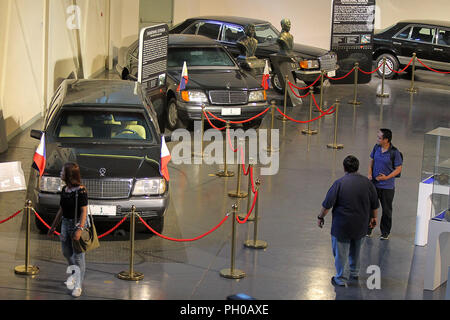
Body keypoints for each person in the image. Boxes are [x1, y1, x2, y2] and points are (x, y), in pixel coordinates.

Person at [318, 155, 379, 286]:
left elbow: (327, 204)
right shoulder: (367, 183)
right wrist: (374, 218)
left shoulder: (339, 183)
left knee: (341, 253)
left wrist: (320, 217)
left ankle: (340, 279)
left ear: (344, 168)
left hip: (342, 227)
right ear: (357, 167)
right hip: (361, 225)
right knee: (356, 250)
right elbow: (375, 204)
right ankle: (354, 272)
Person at [48, 162, 88, 297]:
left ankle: (78, 285)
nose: (60, 173)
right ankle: (75, 275)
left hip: (77, 224)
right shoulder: (65, 190)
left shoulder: (81, 191)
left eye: (62, 171)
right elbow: (61, 210)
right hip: (65, 224)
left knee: (78, 257)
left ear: (69, 175)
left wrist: (80, 229)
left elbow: (84, 211)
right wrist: (53, 227)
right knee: (66, 253)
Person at [367, 128, 403, 240]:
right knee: (370, 207)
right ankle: (368, 229)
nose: (377, 139)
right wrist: (369, 173)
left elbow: (398, 169)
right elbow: (372, 161)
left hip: (387, 187)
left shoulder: (394, 152)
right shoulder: (376, 147)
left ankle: (385, 232)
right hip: (374, 184)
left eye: (379, 137)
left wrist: (387, 177)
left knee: (386, 210)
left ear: (386, 140)